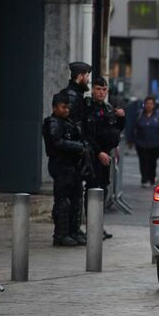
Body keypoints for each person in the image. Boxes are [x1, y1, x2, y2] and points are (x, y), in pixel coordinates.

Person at [42, 93, 86, 247]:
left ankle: (73, 231)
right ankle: (60, 234)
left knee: (76, 200)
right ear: (55, 107)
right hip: (61, 165)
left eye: (68, 106)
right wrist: (78, 147)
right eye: (63, 107)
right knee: (63, 202)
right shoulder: (52, 122)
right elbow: (57, 142)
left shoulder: (68, 122)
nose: (66, 109)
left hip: (73, 166)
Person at [84, 77, 125, 240]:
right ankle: (91, 228)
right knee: (92, 190)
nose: (101, 92)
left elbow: (115, 130)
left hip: (105, 156)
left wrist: (121, 118)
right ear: (93, 90)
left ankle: (98, 227)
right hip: (92, 156)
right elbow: (87, 134)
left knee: (103, 190)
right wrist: (98, 152)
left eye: (104, 89)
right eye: (98, 89)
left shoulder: (108, 108)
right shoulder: (87, 107)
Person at [58, 61, 92, 243]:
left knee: (77, 194)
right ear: (80, 76)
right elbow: (70, 126)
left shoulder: (77, 95)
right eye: (87, 76)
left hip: (76, 155)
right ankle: (63, 233)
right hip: (67, 157)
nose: (88, 79)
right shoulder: (71, 96)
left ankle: (74, 230)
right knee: (66, 197)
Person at [129, 96, 159, 187]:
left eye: (151, 104)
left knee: (152, 162)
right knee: (143, 161)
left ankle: (152, 178)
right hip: (141, 143)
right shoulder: (139, 115)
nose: (149, 106)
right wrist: (130, 140)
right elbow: (132, 127)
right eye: (147, 103)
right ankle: (144, 179)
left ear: (154, 105)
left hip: (155, 144)